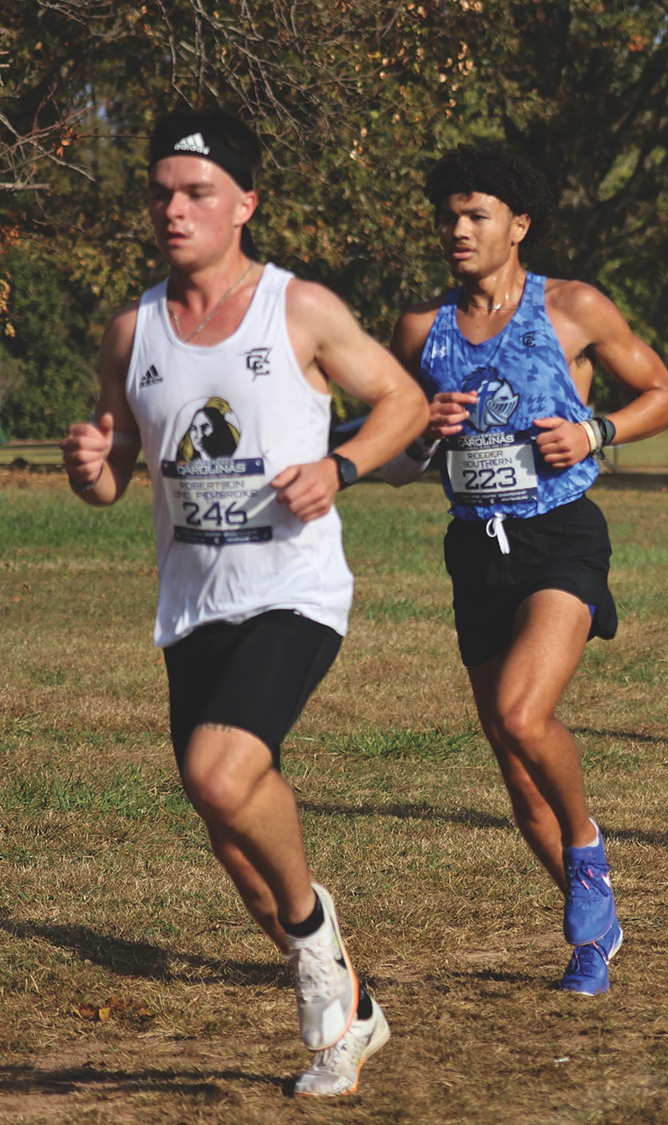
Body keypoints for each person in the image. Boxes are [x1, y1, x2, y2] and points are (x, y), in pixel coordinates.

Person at [60, 110, 428, 1095]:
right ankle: (352, 1005)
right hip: (193, 604)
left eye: (196, 193)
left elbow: (404, 403)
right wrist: (91, 465)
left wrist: (341, 466)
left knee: (223, 774)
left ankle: (318, 956)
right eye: (160, 194)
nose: (173, 211)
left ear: (245, 205)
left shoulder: (297, 309)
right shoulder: (132, 331)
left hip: (292, 590)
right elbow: (111, 479)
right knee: (232, 832)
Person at [383, 147, 668, 994]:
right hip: (474, 549)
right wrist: (421, 434)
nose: (457, 230)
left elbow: (665, 393)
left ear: (518, 224)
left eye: (475, 215)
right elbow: (389, 457)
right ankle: (595, 938)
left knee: (523, 714)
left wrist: (596, 433)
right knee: (514, 769)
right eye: (448, 215)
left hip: (561, 536)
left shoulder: (572, 307)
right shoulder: (419, 329)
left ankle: (586, 845)